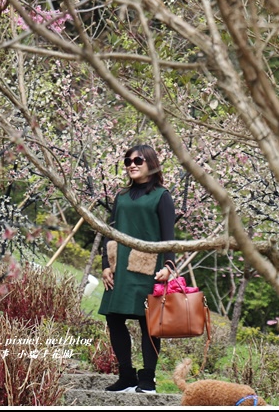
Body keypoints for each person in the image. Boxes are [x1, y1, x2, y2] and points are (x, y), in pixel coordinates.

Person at [99, 144, 176, 394]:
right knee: (114, 318)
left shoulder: (161, 196)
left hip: (148, 268)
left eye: (138, 160)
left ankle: (147, 380)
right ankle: (126, 377)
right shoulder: (121, 196)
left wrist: (168, 265)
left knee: (148, 323)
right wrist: (105, 266)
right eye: (127, 160)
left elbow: (169, 236)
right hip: (119, 268)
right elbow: (109, 232)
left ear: (151, 163)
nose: (132, 164)